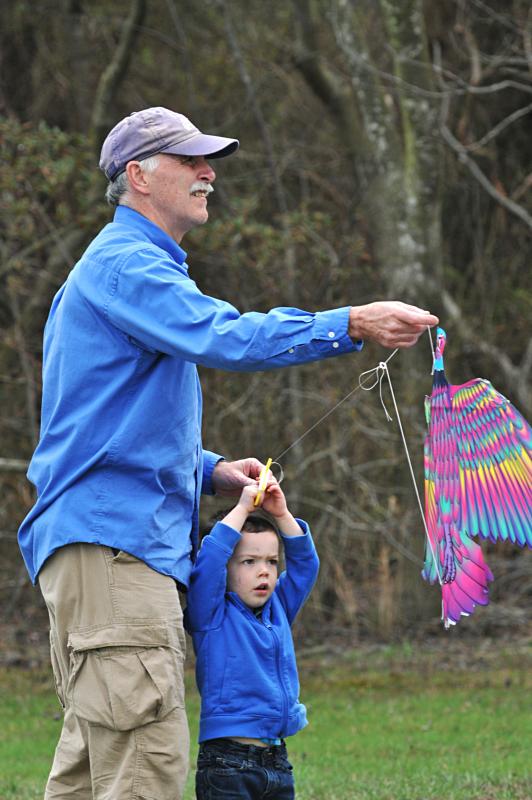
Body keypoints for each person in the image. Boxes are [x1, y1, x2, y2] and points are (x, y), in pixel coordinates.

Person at [17, 106, 438, 799]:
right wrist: (351, 324)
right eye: (190, 160)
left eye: (208, 160)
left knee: (93, 779)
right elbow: (228, 338)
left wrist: (208, 472)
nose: (209, 173)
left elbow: (108, 427)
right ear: (138, 177)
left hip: (100, 551)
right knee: (141, 775)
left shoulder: (118, 271)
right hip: (117, 554)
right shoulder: (128, 267)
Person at [185, 478, 318, 800]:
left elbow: (305, 566)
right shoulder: (211, 615)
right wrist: (242, 508)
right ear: (226, 571)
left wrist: (282, 513)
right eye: (249, 562)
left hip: (277, 760)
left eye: (272, 561)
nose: (264, 572)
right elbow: (209, 562)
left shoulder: (279, 608)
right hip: (227, 763)